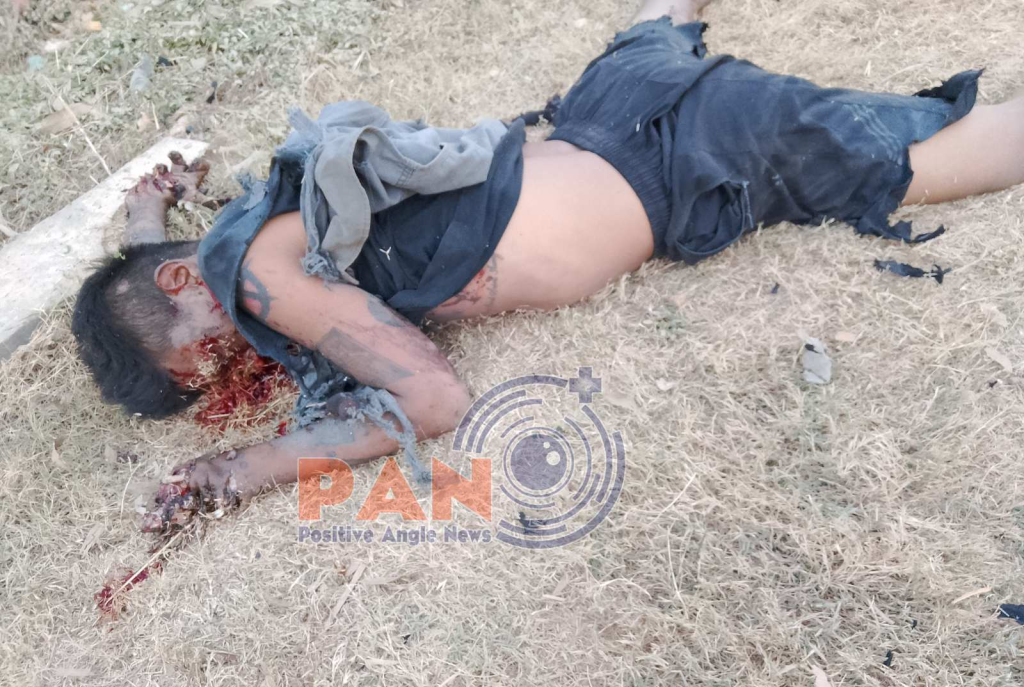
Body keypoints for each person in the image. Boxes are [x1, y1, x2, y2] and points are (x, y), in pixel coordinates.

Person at [72, 0, 1024, 519]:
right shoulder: (242, 233)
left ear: (185, 279)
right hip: (606, 106)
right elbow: (155, 272)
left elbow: (434, 401)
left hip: (696, 155)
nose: (240, 357)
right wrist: (148, 212)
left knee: (955, 157)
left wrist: (248, 466)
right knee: (654, 30)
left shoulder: (256, 275)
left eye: (208, 353)